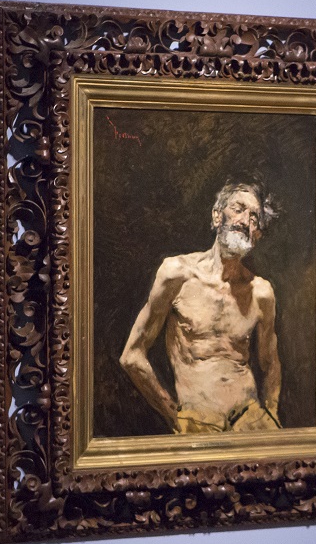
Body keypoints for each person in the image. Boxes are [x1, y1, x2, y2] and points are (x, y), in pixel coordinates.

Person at [119, 181, 282, 434]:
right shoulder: (177, 274)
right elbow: (132, 356)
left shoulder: (262, 292)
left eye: (254, 217)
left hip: (252, 422)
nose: (244, 221)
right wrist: (175, 416)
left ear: (257, 234)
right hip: (199, 425)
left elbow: (270, 362)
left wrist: (271, 413)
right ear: (217, 216)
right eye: (238, 209)